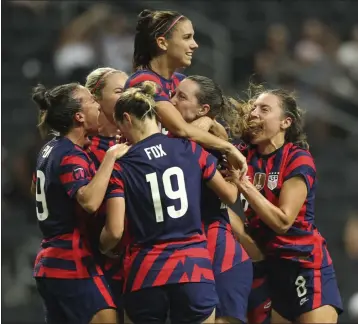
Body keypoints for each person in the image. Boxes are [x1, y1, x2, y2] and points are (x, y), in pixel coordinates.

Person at [99, 81, 240, 324]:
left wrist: (102, 247)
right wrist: (237, 180)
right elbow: (229, 195)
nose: (120, 134)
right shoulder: (191, 149)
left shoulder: (121, 165)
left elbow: (114, 231)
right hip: (194, 269)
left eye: (119, 125)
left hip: (146, 273)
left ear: (127, 118)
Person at [227, 86, 343, 323]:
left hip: (304, 264)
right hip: (271, 268)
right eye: (254, 108)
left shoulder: (297, 158)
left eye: (264, 109)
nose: (254, 113)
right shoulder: (243, 154)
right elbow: (214, 139)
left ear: (285, 122)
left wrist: (244, 185)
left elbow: (283, 222)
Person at [31, 82, 129, 324]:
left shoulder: (49, 149)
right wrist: (111, 156)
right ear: (79, 116)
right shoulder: (70, 154)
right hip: (71, 259)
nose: (97, 105)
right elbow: (89, 201)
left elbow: (35, 188)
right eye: (92, 102)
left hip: (48, 261)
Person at [122, 9, 247, 175]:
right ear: (163, 43)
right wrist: (228, 147)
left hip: (174, 173)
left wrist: (210, 122)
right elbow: (181, 130)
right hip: (144, 174)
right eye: (187, 37)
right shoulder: (143, 81)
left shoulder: (181, 82)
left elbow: (220, 133)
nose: (195, 44)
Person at [171, 75, 253, 323]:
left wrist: (210, 130)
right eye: (173, 93)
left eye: (181, 97)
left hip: (221, 257)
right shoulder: (173, 139)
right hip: (186, 254)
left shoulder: (216, 147)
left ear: (203, 109)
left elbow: (229, 195)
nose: (171, 101)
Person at [85, 67, 129, 310]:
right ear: (95, 98)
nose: (126, 97)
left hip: (133, 261)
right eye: (119, 91)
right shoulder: (82, 147)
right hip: (95, 260)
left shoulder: (136, 140)